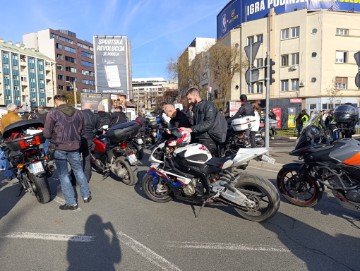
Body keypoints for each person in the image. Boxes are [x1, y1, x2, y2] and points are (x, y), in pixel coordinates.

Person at [43, 94, 91, 210]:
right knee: (78, 170)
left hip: (59, 146)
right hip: (75, 146)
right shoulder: (79, 113)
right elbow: (82, 130)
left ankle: (71, 203)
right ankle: (86, 195)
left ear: (56, 102)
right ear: (66, 101)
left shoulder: (53, 113)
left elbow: (47, 133)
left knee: (63, 174)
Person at [181, 87, 218, 155]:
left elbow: (209, 123)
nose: (189, 101)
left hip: (208, 140)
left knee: (210, 162)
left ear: (196, 95)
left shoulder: (208, 105)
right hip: (199, 138)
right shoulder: (195, 107)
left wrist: (191, 129)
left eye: (190, 99)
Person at [81, 102, 99, 182]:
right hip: (89, 139)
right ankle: (87, 177)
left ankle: (73, 177)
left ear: (83, 107)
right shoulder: (95, 116)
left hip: (79, 138)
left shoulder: (79, 114)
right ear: (91, 108)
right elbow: (96, 128)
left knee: (75, 158)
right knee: (87, 159)